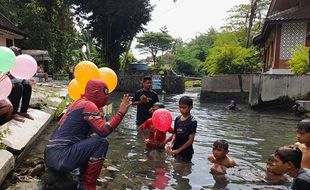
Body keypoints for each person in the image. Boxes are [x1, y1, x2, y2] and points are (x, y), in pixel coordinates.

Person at [44, 79, 131, 190]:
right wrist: (121, 113)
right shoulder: (88, 105)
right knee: (101, 142)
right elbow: (103, 132)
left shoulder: (78, 102)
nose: (107, 97)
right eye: (105, 93)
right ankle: (88, 185)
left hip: (52, 157)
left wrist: (100, 118)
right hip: (61, 158)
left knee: (92, 140)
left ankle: (81, 180)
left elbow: (84, 133)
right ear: (95, 93)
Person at [167, 96, 197, 162]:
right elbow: (175, 133)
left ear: (191, 107)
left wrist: (178, 150)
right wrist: (171, 143)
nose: (182, 109)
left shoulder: (192, 121)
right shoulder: (177, 119)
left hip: (186, 152)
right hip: (175, 148)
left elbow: (190, 141)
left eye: (184, 107)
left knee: (184, 169)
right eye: (180, 107)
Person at [8, 46, 34, 122]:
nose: (18, 55)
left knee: (27, 85)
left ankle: (23, 111)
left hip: (15, 81)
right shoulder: (4, 61)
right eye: (16, 54)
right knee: (19, 87)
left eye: (18, 54)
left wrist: (27, 79)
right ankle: (13, 113)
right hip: (5, 84)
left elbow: (19, 76)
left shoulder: (16, 63)